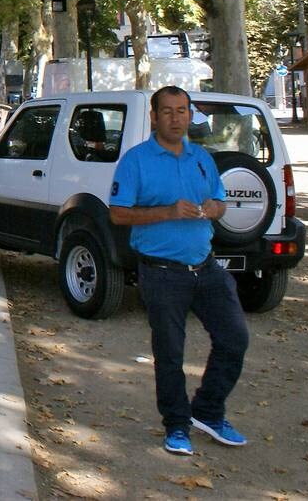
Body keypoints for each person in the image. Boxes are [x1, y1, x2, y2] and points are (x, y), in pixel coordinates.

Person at [109, 85, 249, 457]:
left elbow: (219, 200)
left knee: (235, 338)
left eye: (182, 110)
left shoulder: (201, 157)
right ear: (154, 117)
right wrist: (167, 211)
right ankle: (176, 425)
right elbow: (118, 213)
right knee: (170, 353)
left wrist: (214, 209)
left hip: (206, 268)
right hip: (162, 273)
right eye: (168, 111)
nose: (176, 118)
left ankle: (208, 410)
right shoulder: (136, 160)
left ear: (190, 115)